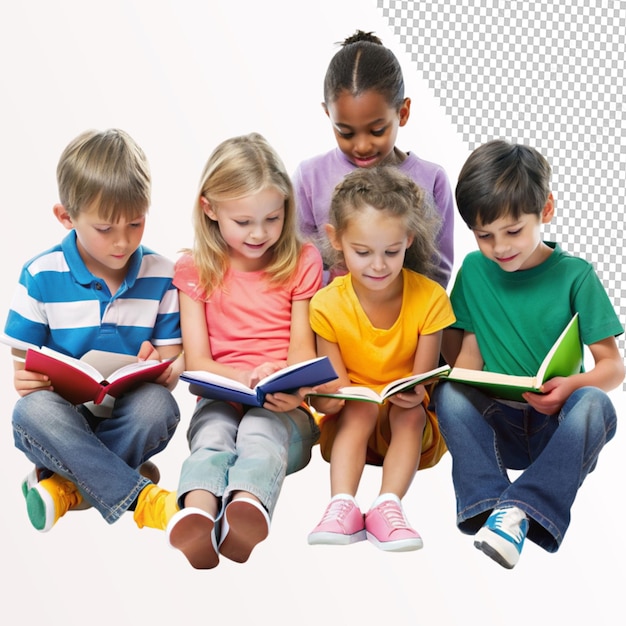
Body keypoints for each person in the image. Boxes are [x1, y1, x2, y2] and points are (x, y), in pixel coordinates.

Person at [434, 140, 624, 569]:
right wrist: (443, 377)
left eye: (513, 231)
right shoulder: (474, 271)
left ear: (547, 210)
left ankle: (517, 510)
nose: (499, 247)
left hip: (555, 434)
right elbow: (469, 354)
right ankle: (489, 504)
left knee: (596, 403)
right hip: (496, 430)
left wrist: (571, 386)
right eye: (484, 236)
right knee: (447, 394)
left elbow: (613, 368)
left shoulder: (575, 275)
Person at [3, 128, 184, 534]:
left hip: (126, 413)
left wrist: (165, 365)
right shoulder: (40, 274)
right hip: (63, 418)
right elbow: (23, 366)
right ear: (66, 217)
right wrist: (26, 378)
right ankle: (142, 498)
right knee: (30, 412)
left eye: (136, 224)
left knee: (158, 406)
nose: (123, 242)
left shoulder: (162, 274)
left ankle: (67, 488)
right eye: (106, 229)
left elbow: (173, 361)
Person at [165, 133, 323, 569]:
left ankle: (247, 507)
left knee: (259, 432)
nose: (260, 234)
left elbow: (301, 356)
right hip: (221, 398)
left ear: (286, 210)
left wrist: (290, 390)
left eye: (272, 219)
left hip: (286, 412)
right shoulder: (194, 269)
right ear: (210, 209)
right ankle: (198, 511)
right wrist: (245, 379)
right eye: (244, 222)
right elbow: (197, 361)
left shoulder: (302, 260)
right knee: (213, 434)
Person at [306, 166, 455, 552]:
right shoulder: (326, 304)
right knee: (359, 408)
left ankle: (388, 506)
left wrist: (414, 393)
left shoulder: (430, 299)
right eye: (363, 252)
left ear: (408, 238)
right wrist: (333, 396)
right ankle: (341, 504)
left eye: (391, 252)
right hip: (348, 427)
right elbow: (331, 389)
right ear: (336, 240)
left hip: (407, 428)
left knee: (409, 411)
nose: (378, 265)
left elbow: (422, 382)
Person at [292, 29, 454, 288]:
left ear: (402, 112)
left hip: (408, 322)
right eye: (345, 132)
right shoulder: (310, 176)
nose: (362, 145)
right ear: (327, 114)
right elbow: (301, 263)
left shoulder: (432, 178)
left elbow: (438, 271)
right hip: (333, 321)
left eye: (377, 130)